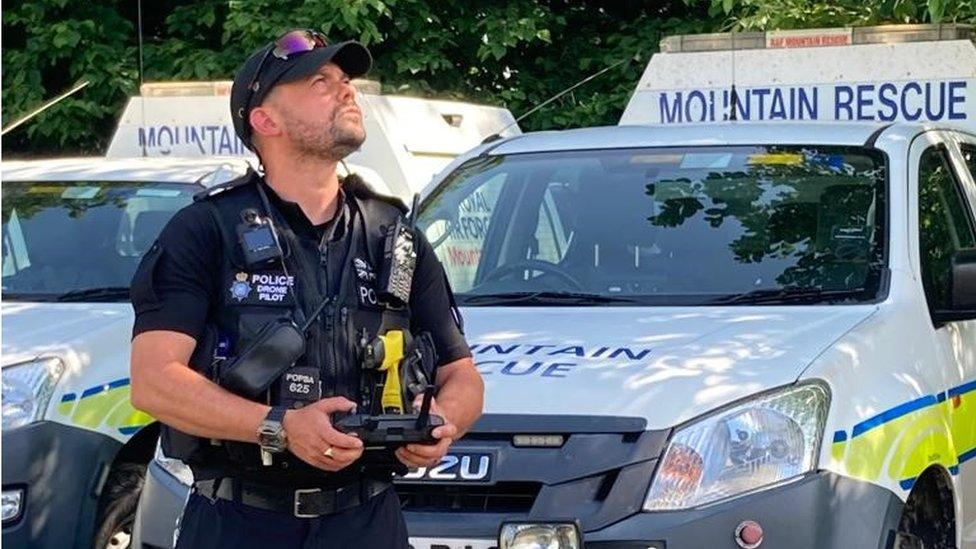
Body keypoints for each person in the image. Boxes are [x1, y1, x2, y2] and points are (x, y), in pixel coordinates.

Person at [129, 29, 484, 549]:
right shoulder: (205, 230)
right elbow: (154, 382)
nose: (346, 90)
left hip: (369, 521)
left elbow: (463, 376)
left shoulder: (394, 236)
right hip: (240, 522)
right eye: (319, 81)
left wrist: (440, 424)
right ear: (264, 120)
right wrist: (278, 426)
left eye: (345, 80)